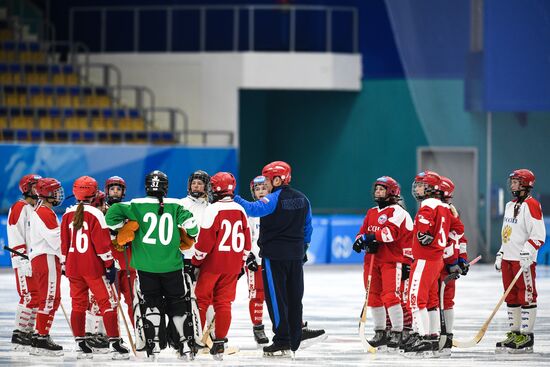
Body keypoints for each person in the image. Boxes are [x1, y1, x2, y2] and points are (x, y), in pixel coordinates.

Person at [105, 170, 200, 359]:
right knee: (178, 303)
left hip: (145, 266)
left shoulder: (135, 205)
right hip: (172, 265)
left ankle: (153, 343)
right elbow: (192, 226)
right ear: (165, 187)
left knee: (151, 303)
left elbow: (110, 217)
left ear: (147, 186)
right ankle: (184, 344)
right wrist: (187, 234)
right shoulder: (175, 204)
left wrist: (122, 228)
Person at [234, 161, 312, 357]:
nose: (265, 185)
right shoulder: (303, 199)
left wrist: (232, 198)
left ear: (278, 180)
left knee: (276, 299)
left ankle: (281, 339)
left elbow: (253, 209)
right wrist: (303, 248)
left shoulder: (273, 199)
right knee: (295, 297)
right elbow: (308, 228)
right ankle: (295, 337)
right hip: (295, 256)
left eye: (268, 181)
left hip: (274, 256)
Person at [60, 176, 129, 360]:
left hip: (74, 267)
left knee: (78, 305)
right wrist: (109, 265)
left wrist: (64, 264)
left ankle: (80, 343)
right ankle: (114, 342)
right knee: (108, 303)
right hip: (93, 268)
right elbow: (102, 245)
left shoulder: (66, 214)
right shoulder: (96, 214)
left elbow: (64, 244)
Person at [192, 172, 252, 360]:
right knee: (224, 304)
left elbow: (205, 242)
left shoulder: (213, 209)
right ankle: (220, 342)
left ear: (215, 189)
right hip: (232, 266)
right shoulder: (241, 210)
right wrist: (240, 264)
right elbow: (247, 243)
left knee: (201, 301)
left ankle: (195, 341)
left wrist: (195, 262)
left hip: (212, 265)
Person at [352, 176, 413, 352]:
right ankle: (380, 332)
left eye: (382, 189)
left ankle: (397, 331)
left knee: (390, 296)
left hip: (391, 261)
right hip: (371, 261)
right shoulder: (371, 212)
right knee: (373, 296)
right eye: (377, 189)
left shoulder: (397, 211)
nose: (378, 192)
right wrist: (359, 241)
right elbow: (363, 232)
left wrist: (371, 238)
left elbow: (390, 233)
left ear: (392, 192)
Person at [404, 170, 461, 358]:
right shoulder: (445, 207)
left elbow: (423, 233)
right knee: (431, 301)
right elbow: (458, 228)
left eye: (421, 185)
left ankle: (423, 338)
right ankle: (433, 336)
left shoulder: (427, 206)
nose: (417, 188)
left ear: (431, 188)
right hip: (437, 260)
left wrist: (424, 233)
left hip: (424, 259)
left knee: (415, 298)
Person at [494, 169, 545, 353]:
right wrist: (501, 252)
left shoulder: (532, 205)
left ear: (525, 184)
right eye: (512, 182)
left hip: (523, 261)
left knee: (527, 296)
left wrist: (528, 251)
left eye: (515, 182)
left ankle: (526, 336)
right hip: (508, 260)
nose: (512, 185)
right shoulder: (509, 205)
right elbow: (506, 235)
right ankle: (515, 333)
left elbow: (539, 235)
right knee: (511, 296)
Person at [27, 177, 64, 356]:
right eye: (55, 191)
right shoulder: (45, 213)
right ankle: (42, 337)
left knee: (52, 299)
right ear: (48, 193)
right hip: (46, 258)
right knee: (49, 298)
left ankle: (40, 334)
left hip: (46, 258)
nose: (58, 194)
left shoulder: (42, 211)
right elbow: (56, 239)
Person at [7, 174, 41, 350]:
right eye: (36, 186)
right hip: (24, 262)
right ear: (27, 188)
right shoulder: (20, 207)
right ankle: (19, 332)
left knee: (37, 297)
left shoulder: (35, 208)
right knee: (29, 295)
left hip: (34, 260)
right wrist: (22, 259)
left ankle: (28, 331)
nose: (39, 189)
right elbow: (15, 234)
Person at [437, 176, 470, 356]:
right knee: (431, 300)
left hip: (446, 264)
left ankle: (447, 336)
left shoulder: (449, 211)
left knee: (446, 300)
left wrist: (461, 259)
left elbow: (460, 238)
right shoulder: (431, 208)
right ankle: (435, 335)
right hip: (434, 262)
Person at [245, 176, 270, 344]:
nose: (261, 192)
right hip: (256, 261)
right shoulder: (250, 213)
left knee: (278, 295)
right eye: (257, 189)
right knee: (257, 295)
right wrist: (248, 257)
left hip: (274, 260)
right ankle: (258, 328)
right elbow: (246, 238)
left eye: (264, 188)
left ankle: (285, 326)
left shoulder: (276, 208)